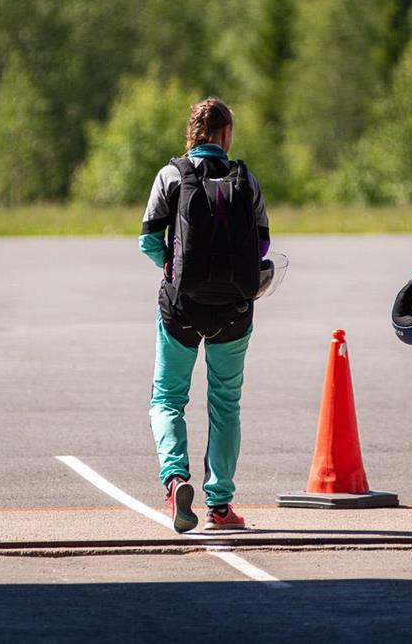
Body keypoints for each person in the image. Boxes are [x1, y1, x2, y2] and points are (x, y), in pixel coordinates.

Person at [139, 97, 270, 533]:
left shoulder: (171, 175)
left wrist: (170, 266)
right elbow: (263, 245)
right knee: (225, 404)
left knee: (168, 399)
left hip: (181, 307)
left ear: (192, 133)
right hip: (234, 310)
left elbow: (148, 240)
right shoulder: (245, 178)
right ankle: (220, 505)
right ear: (226, 134)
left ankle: (176, 480)